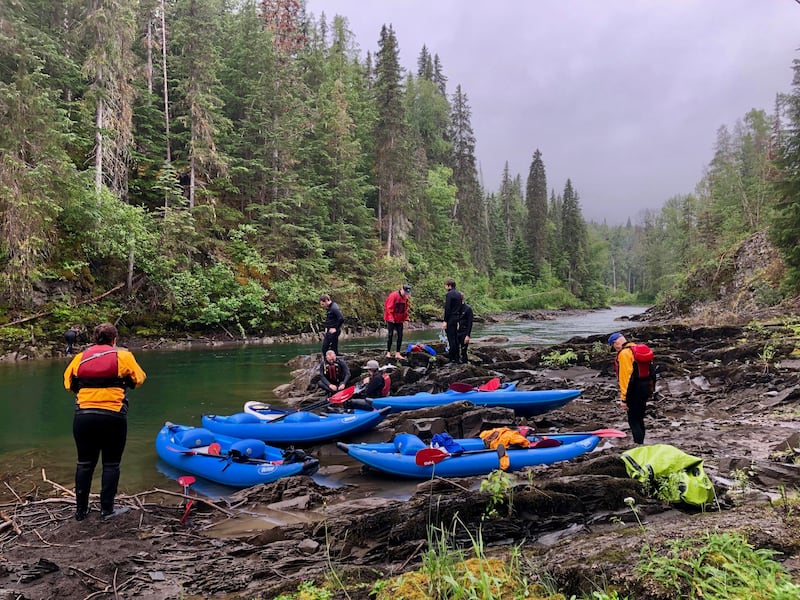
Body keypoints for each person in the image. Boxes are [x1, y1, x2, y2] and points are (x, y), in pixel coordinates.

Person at [63, 323, 146, 520]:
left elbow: (68, 384)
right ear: (114, 339)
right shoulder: (123, 356)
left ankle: (81, 512)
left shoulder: (79, 358)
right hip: (113, 417)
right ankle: (107, 510)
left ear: (94, 339)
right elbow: (139, 379)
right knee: (111, 464)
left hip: (84, 417)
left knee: (84, 464)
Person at [609, 332, 650, 445]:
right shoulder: (637, 349)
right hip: (645, 388)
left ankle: (638, 445)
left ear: (616, 343)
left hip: (633, 390)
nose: (615, 349)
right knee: (640, 418)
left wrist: (624, 399)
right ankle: (641, 442)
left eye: (613, 346)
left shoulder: (624, 354)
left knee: (633, 420)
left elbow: (625, 377)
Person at [383, 284, 411, 359]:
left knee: (400, 335)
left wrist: (406, 319)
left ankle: (397, 353)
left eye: (407, 293)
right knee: (390, 335)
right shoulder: (393, 296)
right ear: (401, 289)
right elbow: (388, 307)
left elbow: (405, 309)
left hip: (399, 319)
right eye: (405, 292)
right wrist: (391, 318)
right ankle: (388, 352)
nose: (405, 294)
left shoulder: (405, 298)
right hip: (391, 318)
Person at [441, 278, 461, 363]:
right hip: (457, 318)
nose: (445, 287)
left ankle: (452, 359)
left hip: (450, 319)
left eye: (446, 285)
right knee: (456, 339)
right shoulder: (459, 294)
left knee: (451, 339)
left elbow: (447, 308)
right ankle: (457, 357)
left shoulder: (449, 294)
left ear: (449, 285)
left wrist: (445, 321)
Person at [456, 292, 473, 364]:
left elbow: (470, 323)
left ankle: (465, 364)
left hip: (464, 332)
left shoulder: (468, 309)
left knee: (463, 350)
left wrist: (467, 335)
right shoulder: (455, 308)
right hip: (456, 332)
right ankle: (456, 363)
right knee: (455, 349)